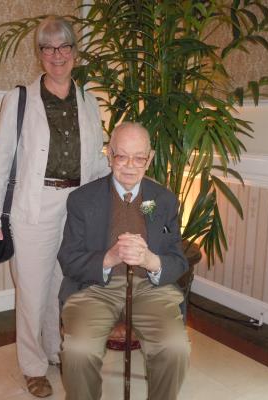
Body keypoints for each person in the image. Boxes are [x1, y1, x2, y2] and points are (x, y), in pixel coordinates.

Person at [0, 16, 110, 398]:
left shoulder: (88, 101)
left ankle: (54, 349)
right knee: (34, 292)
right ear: (40, 55)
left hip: (78, 206)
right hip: (35, 207)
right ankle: (33, 365)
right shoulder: (19, 99)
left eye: (64, 46)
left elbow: (97, 160)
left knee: (61, 285)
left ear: (75, 52)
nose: (57, 55)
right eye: (48, 48)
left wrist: (122, 184)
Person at [58, 122, 191, 400]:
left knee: (175, 348)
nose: (130, 165)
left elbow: (178, 260)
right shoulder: (82, 200)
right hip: (94, 289)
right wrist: (108, 257)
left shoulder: (164, 201)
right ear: (109, 156)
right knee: (79, 351)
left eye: (139, 157)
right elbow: (69, 259)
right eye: (121, 156)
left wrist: (151, 260)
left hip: (150, 290)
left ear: (150, 158)